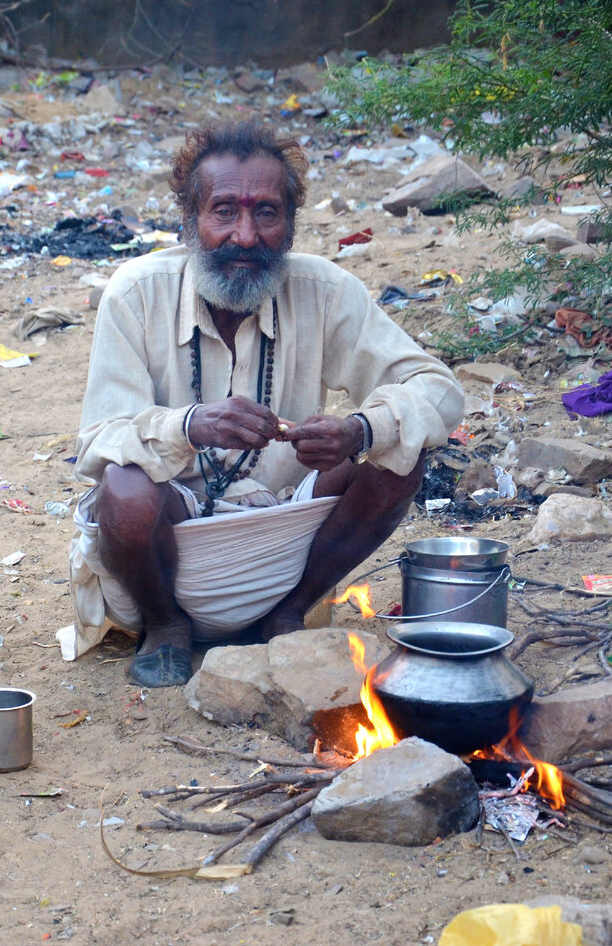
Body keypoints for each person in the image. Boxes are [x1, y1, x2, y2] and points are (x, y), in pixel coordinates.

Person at [63, 121, 464, 688]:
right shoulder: (136, 293)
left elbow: (438, 389)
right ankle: (165, 626)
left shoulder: (325, 291)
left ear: (292, 227)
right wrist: (190, 424)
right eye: (224, 211)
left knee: (400, 454)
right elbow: (99, 440)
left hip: (285, 528)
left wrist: (359, 430)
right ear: (190, 222)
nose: (245, 236)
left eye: (266, 213)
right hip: (169, 535)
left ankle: (286, 611)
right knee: (124, 488)